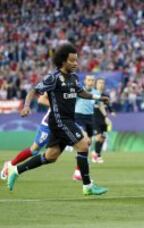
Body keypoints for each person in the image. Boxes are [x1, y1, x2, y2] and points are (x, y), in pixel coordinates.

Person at [6, 43, 109, 195]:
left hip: (67, 120)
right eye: (72, 60)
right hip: (60, 121)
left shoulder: (73, 78)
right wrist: (27, 105)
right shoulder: (53, 78)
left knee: (50, 156)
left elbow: (81, 93)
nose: (76, 63)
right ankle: (87, 186)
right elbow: (34, 90)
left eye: (76, 60)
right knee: (84, 145)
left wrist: (98, 97)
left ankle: (15, 170)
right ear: (62, 61)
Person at [0, 94, 50, 180]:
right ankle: (11, 164)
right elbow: (41, 99)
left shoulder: (74, 85)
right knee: (34, 150)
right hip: (50, 124)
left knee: (53, 155)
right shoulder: (55, 82)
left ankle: (78, 173)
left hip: (66, 123)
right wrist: (58, 105)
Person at [72, 74, 99, 180]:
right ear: (85, 81)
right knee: (85, 141)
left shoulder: (96, 93)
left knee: (88, 144)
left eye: (92, 80)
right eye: (89, 80)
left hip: (90, 118)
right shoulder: (79, 91)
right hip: (78, 116)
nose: (91, 82)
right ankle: (79, 172)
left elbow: (98, 104)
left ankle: (78, 171)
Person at [92, 77, 114, 163]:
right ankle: (95, 154)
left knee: (103, 137)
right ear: (96, 84)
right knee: (98, 136)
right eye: (100, 83)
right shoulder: (92, 94)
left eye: (103, 83)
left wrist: (112, 112)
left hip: (103, 118)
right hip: (94, 117)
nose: (101, 84)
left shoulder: (106, 95)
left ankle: (97, 154)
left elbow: (108, 105)